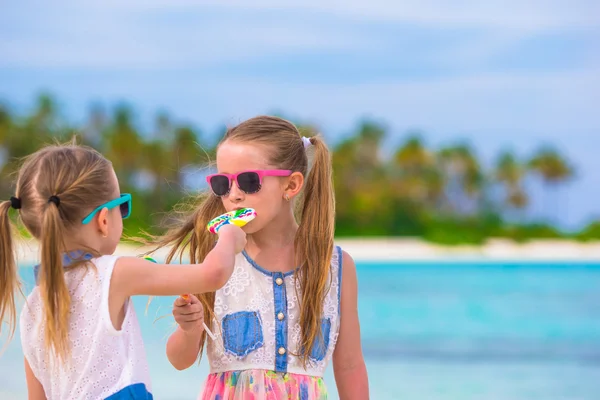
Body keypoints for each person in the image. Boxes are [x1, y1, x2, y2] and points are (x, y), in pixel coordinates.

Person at [0, 142, 246, 399]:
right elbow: (212, 274)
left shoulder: (32, 307)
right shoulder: (115, 273)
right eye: (123, 206)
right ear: (104, 220)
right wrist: (228, 236)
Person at [155, 116, 369, 399]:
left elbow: (350, 365)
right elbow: (179, 360)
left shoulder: (337, 266)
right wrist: (189, 328)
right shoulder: (217, 259)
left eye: (248, 182)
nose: (234, 195)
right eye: (223, 184)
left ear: (290, 185)